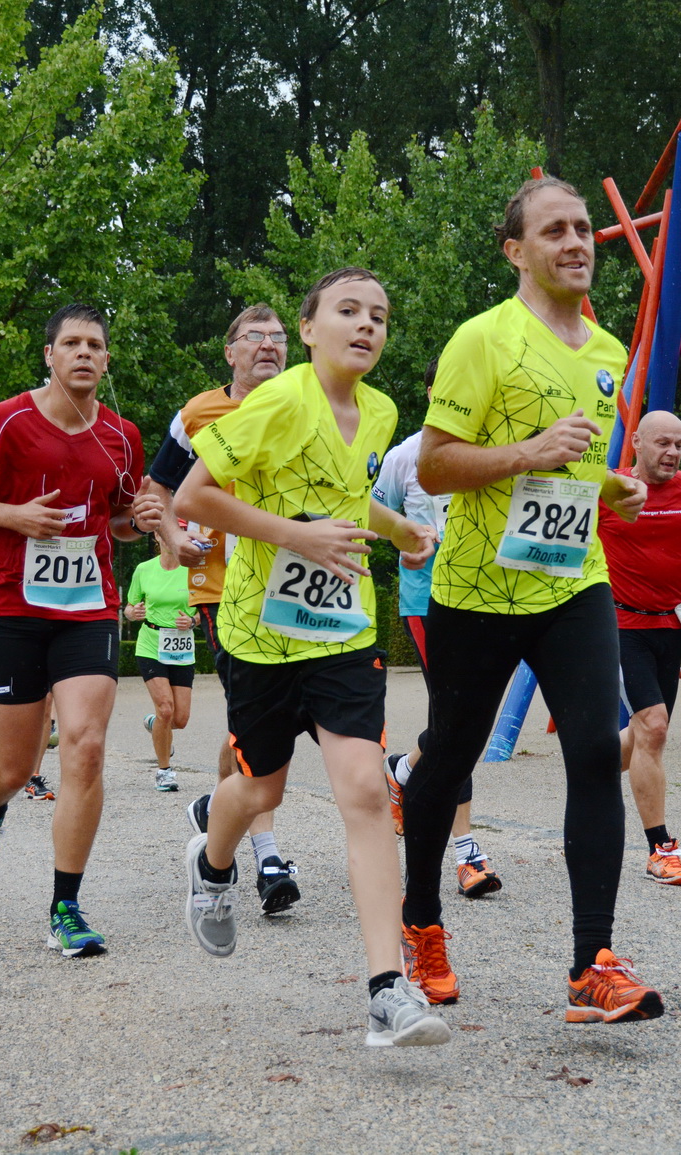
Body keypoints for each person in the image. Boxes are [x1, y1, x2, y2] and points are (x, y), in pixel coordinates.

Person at [400, 177, 662, 1024]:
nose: (578, 242)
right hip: (477, 587)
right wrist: (528, 452)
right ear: (517, 251)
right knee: (450, 759)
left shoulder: (607, 350)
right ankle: (420, 922)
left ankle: (594, 963)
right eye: (555, 230)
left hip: (572, 580)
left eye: (585, 229)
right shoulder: (483, 339)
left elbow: (573, 467)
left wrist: (610, 488)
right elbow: (433, 464)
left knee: (595, 750)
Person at [174, 268, 449, 1047]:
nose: (367, 325)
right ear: (309, 327)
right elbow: (193, 497)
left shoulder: (382, 410)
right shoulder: (277, 401)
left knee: (365, 792)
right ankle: (213, 862)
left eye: (380, 315)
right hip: (260, 635)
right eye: (349, 311)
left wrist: (395, 530)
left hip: (341, 632)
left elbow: (343, 495)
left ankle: (386, 990)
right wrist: (296, 537)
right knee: (258, 791)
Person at [0, 303, 158, 959]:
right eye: (71, 343)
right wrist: (13, 515)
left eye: (95, 345)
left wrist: (137, 518)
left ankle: (66, 905)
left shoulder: (122, 434)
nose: (84, 353)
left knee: (84, 746)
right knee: (16, 763)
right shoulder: (3, 424)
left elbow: (115, 520)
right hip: (8, 604)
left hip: (87, 604)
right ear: (49, 355)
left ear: (106, 360)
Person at [147, 304, 301, 914]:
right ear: (230, 351)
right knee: (253, 716)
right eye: (254, 337)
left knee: (269, 721)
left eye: (279, 337)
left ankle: (219, 806)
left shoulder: (305, 402)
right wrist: (172, 540)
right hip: (222, 592)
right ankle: (266, 856)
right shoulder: (198, 414)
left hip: (292, 588)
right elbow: (157, 493)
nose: (268, 345)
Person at [372, 361, 502, 899]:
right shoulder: (405, 456)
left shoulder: (494, 450)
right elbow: (372, 514)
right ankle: (466, 852)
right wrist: (404, 541)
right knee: (457, 721)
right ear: (432, 392)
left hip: (491, 599)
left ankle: (403, 771)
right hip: (429, 601)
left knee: (461, 722)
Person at [598, 410, 681, 887]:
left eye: (679, 444)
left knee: (647, 733)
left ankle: (592, 767)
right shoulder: (609, 489)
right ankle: (660, 850)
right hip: (620, 625)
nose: (672, 452)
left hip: (669, 626)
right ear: (636, 442)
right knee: (652, 726)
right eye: (663, 444)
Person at [123, 535, 199, 792]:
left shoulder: (194, 571)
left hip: (181, 648)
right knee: (165, 709)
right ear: (157, 535)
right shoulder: (144, 569)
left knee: (180, 718)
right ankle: (164, 772)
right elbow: (129, 607)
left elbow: (206, 610)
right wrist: (133, 613)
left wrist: (192, 621)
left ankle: (156, 726)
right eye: (164, 532)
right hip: (151, 645)